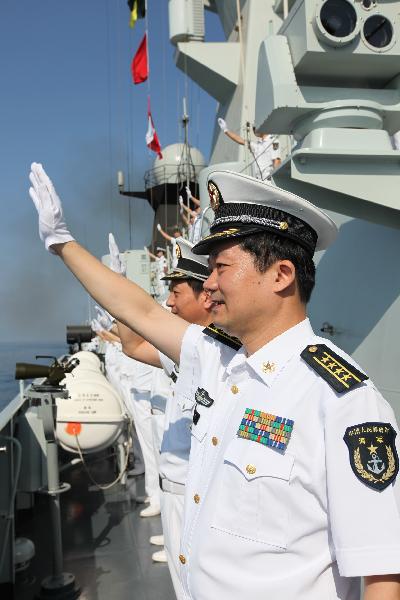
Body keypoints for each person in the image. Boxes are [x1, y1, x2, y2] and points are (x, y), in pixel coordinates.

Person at [28, 163, 400, 600]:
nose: (209, 285)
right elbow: (142, 313)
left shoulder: (340, 399)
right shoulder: (217, 359)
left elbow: (380, 572)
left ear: (281, 275)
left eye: (221, 267)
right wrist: (63, 244)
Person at [117, 237, 214, 597]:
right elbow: (132, 345)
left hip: (199, 492)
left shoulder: (219, 354)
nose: (169, 303)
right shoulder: (184, 351)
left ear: (206, 296)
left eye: (176, 292)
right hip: (174, 487)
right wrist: (122, 297)